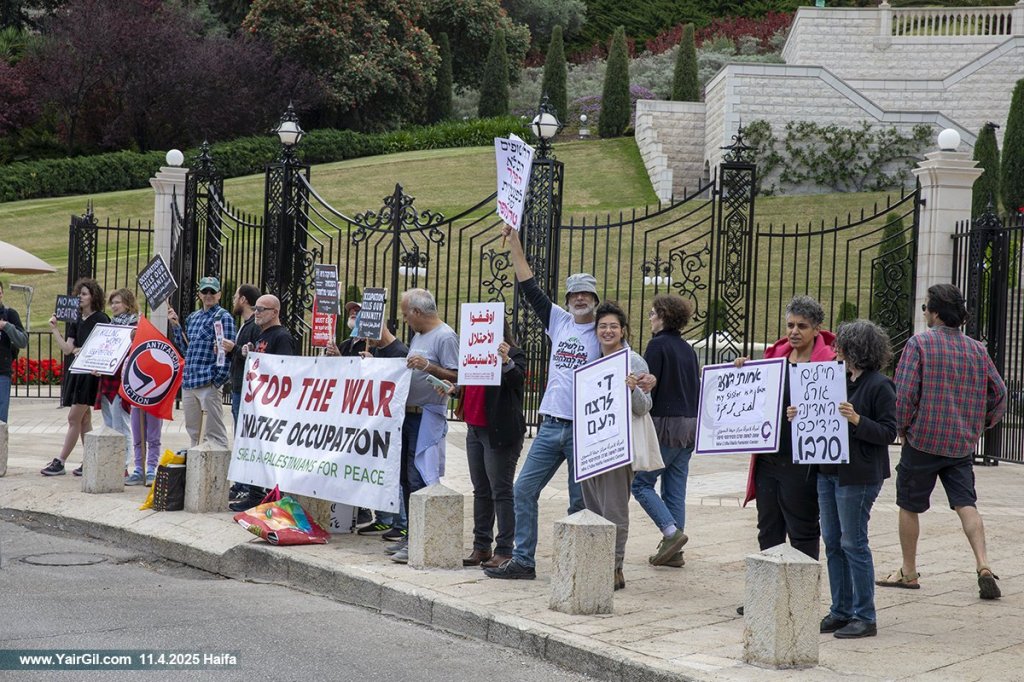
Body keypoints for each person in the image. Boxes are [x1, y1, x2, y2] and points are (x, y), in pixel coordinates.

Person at [484, 225, 602, 581]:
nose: (579, 299)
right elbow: (529, 285)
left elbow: (628, 361)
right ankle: (523, 560)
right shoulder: (559, 321)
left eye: (585, 294)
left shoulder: (604, 331)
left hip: (584, 428)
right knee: (523, 489)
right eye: (574, 294)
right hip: (551, 424)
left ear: (595, 299)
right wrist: (516, 244)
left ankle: (577, 567)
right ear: (567, 300)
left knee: (579, 503)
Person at [876, 284, 1007, 600]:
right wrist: (980, 425)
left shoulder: (919, 344)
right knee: (966, 503)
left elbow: (905, 394)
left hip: (923, 440)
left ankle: (908, 571)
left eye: (925, 308)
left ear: (934, 312)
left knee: (909, 504)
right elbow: (1000, 393)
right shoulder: (978, 350)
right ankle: (983, 564)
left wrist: (903, 428)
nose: (924, 313)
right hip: (961, 443)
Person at [814, 319, 897, 640]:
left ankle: (865, 615)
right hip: (828, 470)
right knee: (833, 543)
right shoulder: (840, 381)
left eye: (841, 347)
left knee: (853, 542)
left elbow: (889, 432)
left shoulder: (879, 385)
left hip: (858, 475)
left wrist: (857, 419)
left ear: (855, 350)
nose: (836, 351)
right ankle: (841, 610)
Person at [437, 321, 526, 569]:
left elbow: (518, 381)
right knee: (481, 490)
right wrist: (455, 391)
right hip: (474, 428)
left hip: (500, 431)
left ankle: (505, 549)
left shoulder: (514, 353)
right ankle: (481, 547)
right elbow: (471, 387)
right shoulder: (472, 354)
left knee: (501, 490)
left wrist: (505, 360)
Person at [387, 288, 459, 564]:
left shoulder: (445, 336)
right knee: (406, 477)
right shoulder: (419, 335)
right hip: (409, 415)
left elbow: (457, 375)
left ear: (417, 312)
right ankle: (410, 534)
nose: (405, 319)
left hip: (427, 415)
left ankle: (418, 538)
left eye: (406, 314)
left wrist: (428, 366)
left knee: (419, 477)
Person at [585, 301, 652, 590]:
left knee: (614, 510)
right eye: (603, 326)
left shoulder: (633, 360)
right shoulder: (591, 358)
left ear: (623, 330)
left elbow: (644, 407)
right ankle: (595, 563)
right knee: (591, 508)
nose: (608, 331)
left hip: (618, 448)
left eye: (613, 326)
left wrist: (633, 389)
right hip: (591, 446)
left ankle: (614, 567)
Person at [632, 294, 698, 569]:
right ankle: (675, 551)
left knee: (641, 484)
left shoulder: (656, 346)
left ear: (663, 317)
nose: (650, 318)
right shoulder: (687, 349)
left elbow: (648, 387)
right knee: (675, 489)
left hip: (666, 425)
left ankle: (671, 534)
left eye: (652, 313)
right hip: (689, 426)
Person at [229, 294, 297, 511]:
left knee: (269, 451)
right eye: (256, 309)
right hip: (257, 404)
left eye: (261, 309)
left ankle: (270, 495)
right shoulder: (261, 336)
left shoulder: (282, 337)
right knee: (255, 448)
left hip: (272, 406)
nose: (256, 313)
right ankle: (255, 493)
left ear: (275, 312)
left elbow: (284, 370)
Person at [41, 278, 111, 476]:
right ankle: (90, 460)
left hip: (89, 373)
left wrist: (86, 350)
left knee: (74, 417)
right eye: (79, 293)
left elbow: (105, 346)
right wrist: (54, 329)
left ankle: (61, 461)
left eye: (84, 294)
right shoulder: (76, 319)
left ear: (93, 297)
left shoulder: (101, 318)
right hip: (76, 371)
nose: (80, 297)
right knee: (84, 418)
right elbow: (67, 349)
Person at [167, 276, 236, 450]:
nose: (208, 295)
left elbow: (226, 352)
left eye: (212, 291)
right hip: (190, 382)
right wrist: (176, 326)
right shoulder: (193, 318)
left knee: (214, 434)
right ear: (199, 294)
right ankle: (195, 471)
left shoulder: (223, 317)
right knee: (194, 433)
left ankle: (216, 474)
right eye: (205, 291)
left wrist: (217, 380)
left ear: (219, 294)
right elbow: (186, 349)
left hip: (208, 382)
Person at [99, 288, 138, 481]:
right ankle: (110, 462)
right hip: (107, 377)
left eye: (118, 302)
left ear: (128, 304)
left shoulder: (135, 326)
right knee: (108, 423)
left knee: (121, 424)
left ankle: (123, 465)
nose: (114, 306)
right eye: (112, 302)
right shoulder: (109, 325)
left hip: (122, 380)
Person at [224, 284, 261, 431]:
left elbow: (254, 357)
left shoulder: (254, 326)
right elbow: (240, 355)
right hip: (238, 386)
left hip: (247, 389)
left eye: (235, 297)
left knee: (242, 431)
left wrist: (234, 348)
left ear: (243, 300)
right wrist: (229, 351)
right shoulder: (246, 324)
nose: (233, 301)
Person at [0, 280, 29, 423]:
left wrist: (6, 326)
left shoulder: (9, 314)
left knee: (1, 420)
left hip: (2, 373)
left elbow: (23, 341)